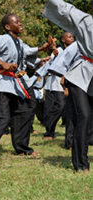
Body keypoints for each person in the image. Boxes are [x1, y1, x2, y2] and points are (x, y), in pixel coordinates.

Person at [0, 14, 49, 159]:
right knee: (0, 118)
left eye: (20, 21)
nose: (21, 24)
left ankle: (22, 147)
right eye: (17, 22)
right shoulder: (1, 39)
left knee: (25, 112)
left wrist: (42, 48)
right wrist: (2, 63)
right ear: (8, 27)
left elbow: (27, 53)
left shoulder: (19, 43)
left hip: (14, 84)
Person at [43, 0, 93, 172]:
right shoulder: (86, 21)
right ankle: (80, 164)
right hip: (80, 75)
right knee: (84, 116)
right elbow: (66, 9)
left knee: (90, 120)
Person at [41, 32, 74, 140]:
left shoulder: (75, 50)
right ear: (63, 40)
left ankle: (67, 135)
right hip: (57, 82)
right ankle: (49, 130)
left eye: (72, 37)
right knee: (60, 106)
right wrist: (54, 49)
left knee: (67, 108)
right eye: (69, 37)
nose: (72, 38)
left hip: (71, 82)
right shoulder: (60, 50)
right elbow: (55, 56)